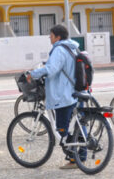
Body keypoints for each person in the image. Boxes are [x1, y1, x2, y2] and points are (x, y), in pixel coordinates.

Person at [27, 24, 80, 170]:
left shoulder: (59, 49)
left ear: (58, 37)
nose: (49, 38)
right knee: (74, 126)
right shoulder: (72, 47)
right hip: (73, 91)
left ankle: (73, 160)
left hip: (62, 94)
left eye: (51, 35)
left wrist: (34, 73)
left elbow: (52, 69)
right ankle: (80, 157)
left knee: (62, 128)